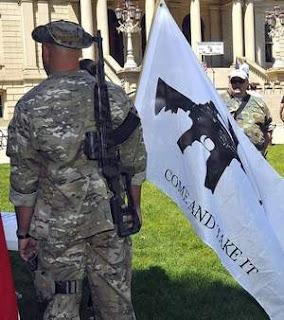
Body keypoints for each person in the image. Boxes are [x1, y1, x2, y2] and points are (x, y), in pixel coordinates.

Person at [6, 20, 146, 320]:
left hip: (57, 229)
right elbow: (135, 161)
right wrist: (134, 207)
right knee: (117, 306)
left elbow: (24, 181)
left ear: (45, 51)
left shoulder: (30, 106)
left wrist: (23, 232)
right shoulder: (116, 96)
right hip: (110, 219)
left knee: (60, 305)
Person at [222, 69, 273, 155]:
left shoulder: (259, 103)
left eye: (240, 81)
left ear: (247, 83)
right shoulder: (218, 101)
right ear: (229, 83)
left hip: (254, 156)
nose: (237, 84)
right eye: (234, 81)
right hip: (228, 158)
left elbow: (268, 126)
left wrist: (263, 149)